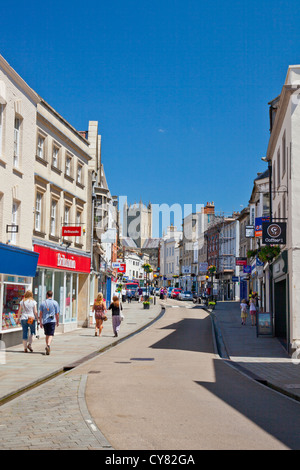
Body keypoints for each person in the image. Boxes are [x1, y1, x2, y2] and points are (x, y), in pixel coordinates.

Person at [39, 290, 60, 355]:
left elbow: (40, 313)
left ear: (46, 295)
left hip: (45, 321)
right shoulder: (55, 303)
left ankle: (47, 345)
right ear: (52, 295)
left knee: (47, 334)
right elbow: (57, 314)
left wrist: (40, 322)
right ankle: (48, 345)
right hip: (52, 321)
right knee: (51, 334)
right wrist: (57, 321)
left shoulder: (43, 303)